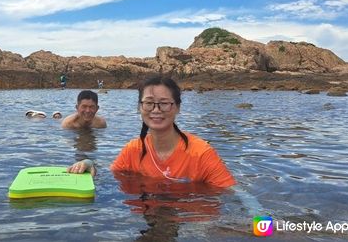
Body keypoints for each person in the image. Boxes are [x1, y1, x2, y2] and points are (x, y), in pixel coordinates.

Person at [67, 76, 235, 188]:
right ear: (140, 107)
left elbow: (235, 195)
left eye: (164, 103)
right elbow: (108, 179)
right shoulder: (133, 150)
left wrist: (259, 228)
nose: (156, 110)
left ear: (177, 107)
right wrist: (90, 164)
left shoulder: (201, 153)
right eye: (149, 103)